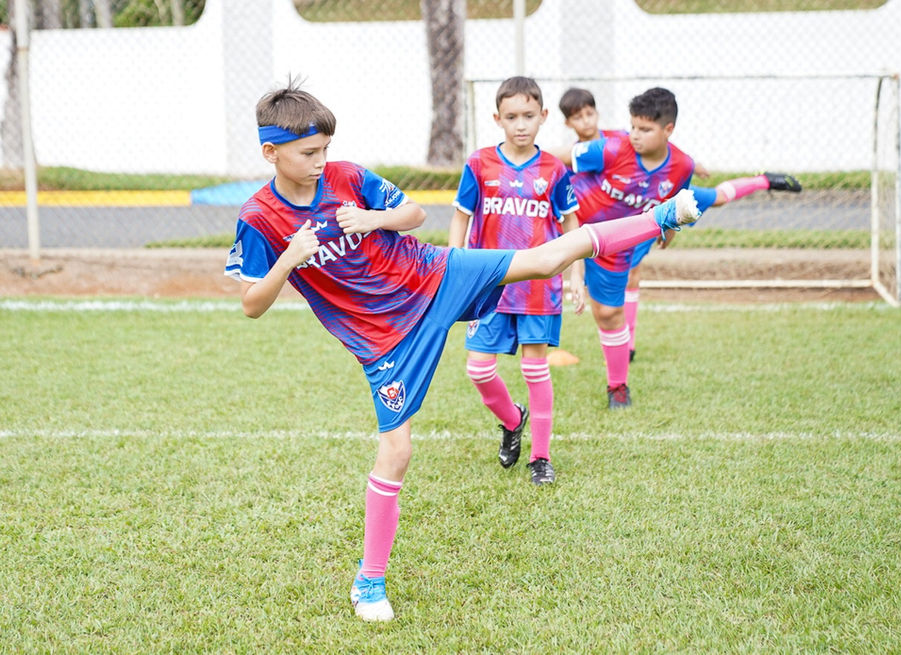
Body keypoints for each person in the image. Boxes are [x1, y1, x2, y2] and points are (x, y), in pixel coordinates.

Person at [224, 79, 700, 622]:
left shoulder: (348, 177)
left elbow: (414, 215)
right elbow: (251, 304)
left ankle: (660, 217)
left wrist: (374, 218)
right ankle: (369, 581)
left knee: (543, 259)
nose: (320, 162)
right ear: (271, 152)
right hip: (382, 338)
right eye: (309, 153)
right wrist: (288, 259)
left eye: (325, 149)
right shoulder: (259, 219)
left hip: (431, 273)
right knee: (397, 451)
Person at [555, 87, 801, 406]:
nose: (635, 135)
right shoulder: (610, 149)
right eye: (633, 127)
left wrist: (670, 227)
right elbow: (552, 158)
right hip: (583, 227)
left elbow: (676, 200)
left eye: (645, 129)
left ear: (668, 130)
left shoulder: (681, 165)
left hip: (624, 239)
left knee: (608, 312)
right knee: (549, 275)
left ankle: (618, 387)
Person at [449, 76, 585, 487]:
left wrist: (576, 274)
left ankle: (540, 458)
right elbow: (461, 217)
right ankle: (512, 420)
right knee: (478, 369)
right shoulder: (479, 164)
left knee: (534, 368)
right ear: (498, 119)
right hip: (488, 284)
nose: (521, 125)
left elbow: (571, 224)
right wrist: (453, 267)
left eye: (528, 116)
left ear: (543, 116)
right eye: (511, 117)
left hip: (538, 287)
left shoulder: (554, 169)